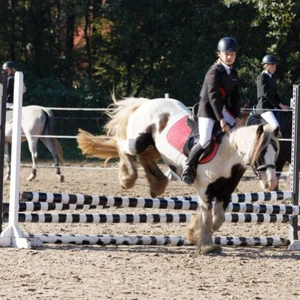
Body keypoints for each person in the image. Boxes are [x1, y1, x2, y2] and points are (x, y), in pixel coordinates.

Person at [182, 37, 242, 185]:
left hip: (221, 108)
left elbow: (235, 97)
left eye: (232, 54)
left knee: (236, 134)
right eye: (226, 54)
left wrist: (238, 116)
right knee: (205, 140)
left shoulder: (233, 73)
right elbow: (213, 97)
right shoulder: (214, 71)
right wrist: (222, 120)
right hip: (208, 109)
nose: (229, 57)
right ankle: (188, 167)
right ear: (220, 54)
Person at [256, 54, 289, 129]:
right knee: (276, 126)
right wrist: (279, 105)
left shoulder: (271, 78)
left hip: (272, 106)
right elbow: (266, 95)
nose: (275, 68)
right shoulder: (262, 77)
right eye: (273, 66)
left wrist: (283, 105)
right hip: (264, 108)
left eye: (275, 66)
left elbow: (275, 95)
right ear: (267, 66)